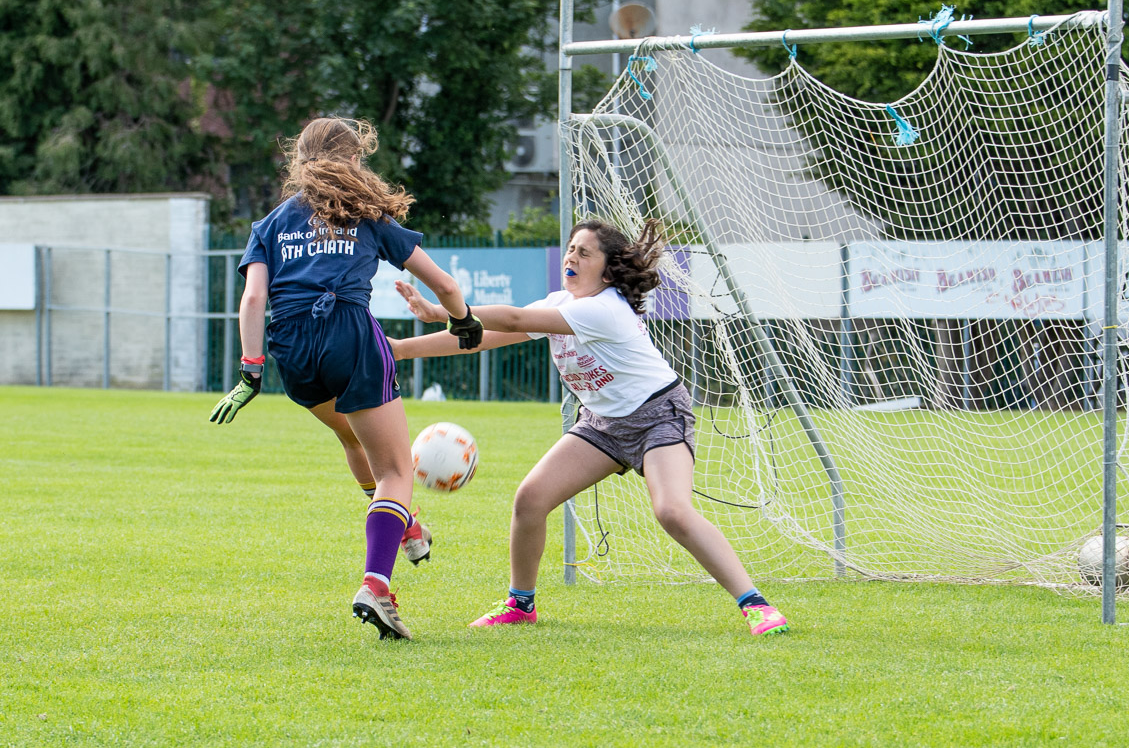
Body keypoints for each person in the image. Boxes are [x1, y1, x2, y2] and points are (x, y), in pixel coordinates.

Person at [388, 218, 789, 636]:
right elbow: (483, 336)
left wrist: (443, 311)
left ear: (607, 268)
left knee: (671, 511)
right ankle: (520, 604)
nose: (572, 257)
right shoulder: (559, 302)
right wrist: (401, 350)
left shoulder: (604, 308)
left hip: (658, 416)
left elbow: (506, 318)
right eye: (570, 249)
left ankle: (756, 604)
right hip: (602, 424)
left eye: (585, 252)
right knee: (530, 499)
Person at [208, 117, 484, 641]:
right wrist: (464, 319)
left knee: (349, 433)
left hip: (290, 346)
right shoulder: (366, 213)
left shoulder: (269, 224)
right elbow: (444, 284)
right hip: (349, 336)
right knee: (397, 470)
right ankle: (376, 584)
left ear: (300, 161)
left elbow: (252, 299)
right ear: (354, 161)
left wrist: (250, 373)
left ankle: (407, 524)